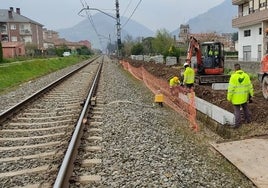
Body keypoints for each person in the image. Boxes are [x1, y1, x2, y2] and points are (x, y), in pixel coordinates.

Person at [227, 63, 254, 128]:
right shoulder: (246, 76)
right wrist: (251, 95)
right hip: (244, 97)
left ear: (235, 69)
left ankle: (237, 125)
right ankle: (249, 120)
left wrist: (229, 98)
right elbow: (250, 86)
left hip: (236, 99)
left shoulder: (233, 77)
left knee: (237, 111)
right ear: (240, 68)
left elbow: (231, 89)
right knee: (245, 108)